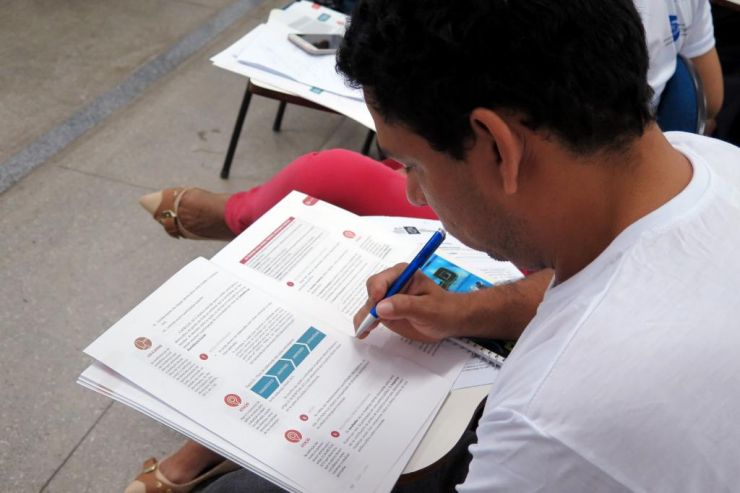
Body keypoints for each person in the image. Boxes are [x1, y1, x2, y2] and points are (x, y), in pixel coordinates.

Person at [127, 1, 734, 491]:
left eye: (412, 164)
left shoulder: (550, 422)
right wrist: (468, 310)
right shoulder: (708, 164)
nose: (414, 195)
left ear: (497, 146)